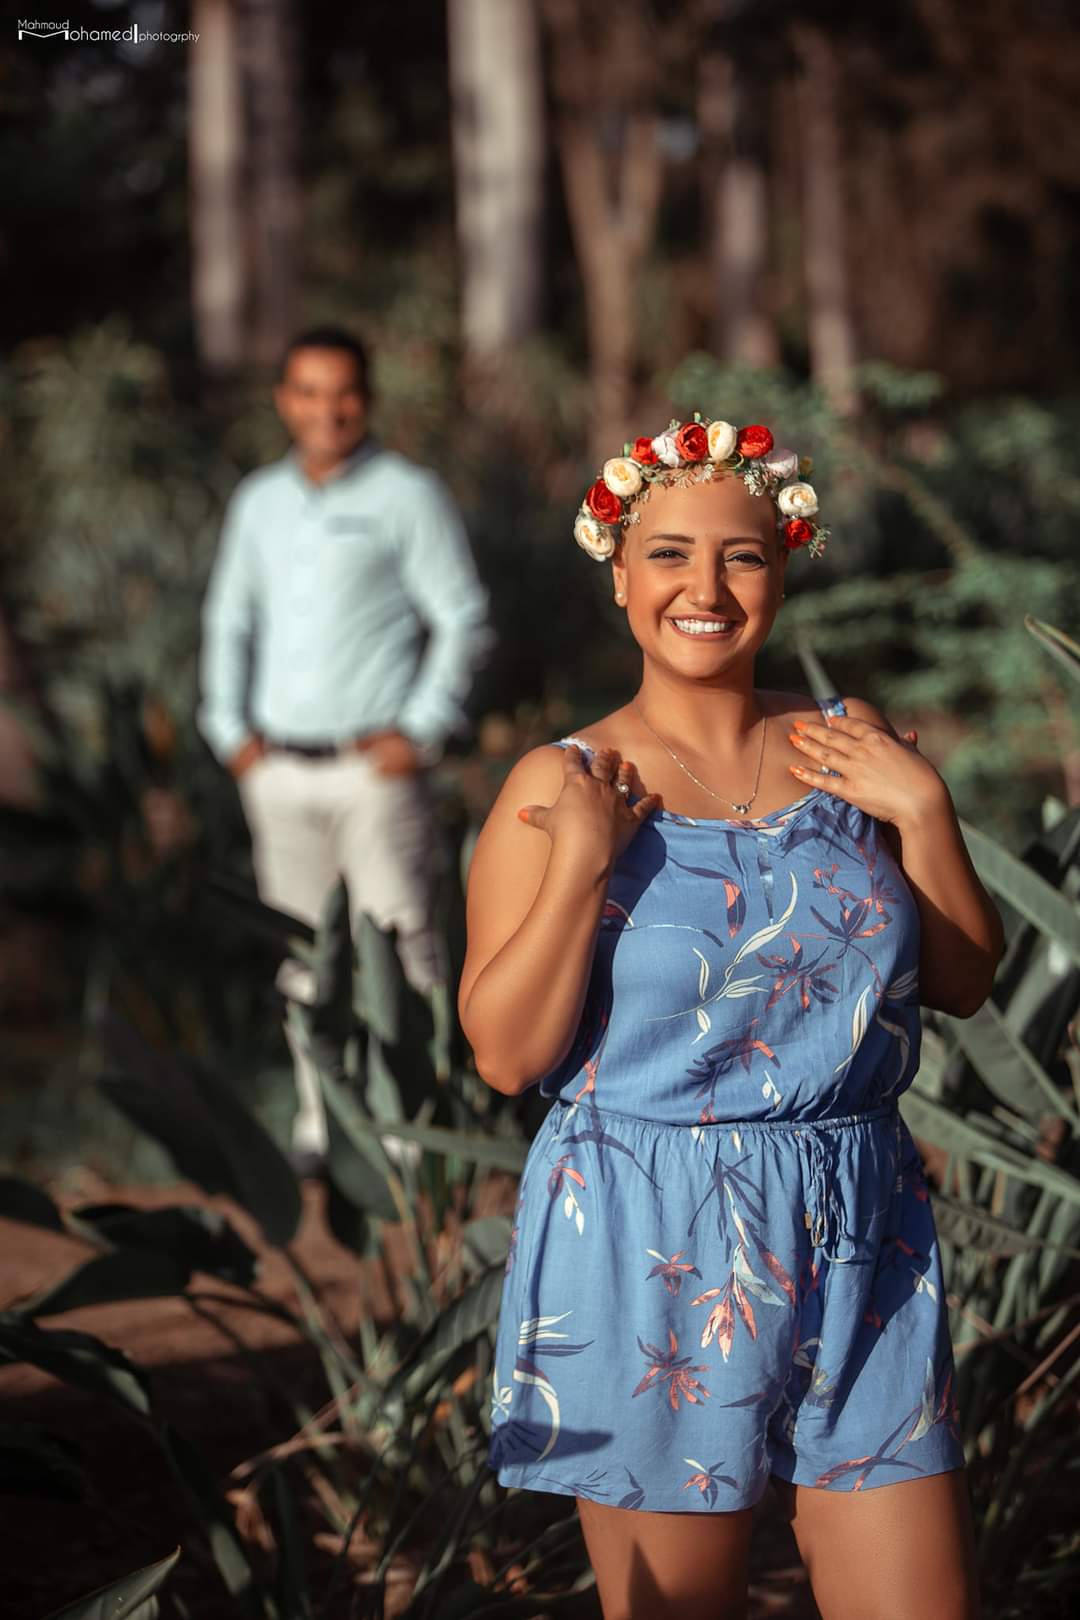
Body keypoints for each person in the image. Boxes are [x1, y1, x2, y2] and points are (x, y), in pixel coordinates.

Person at [459, 416, 1003, 1620]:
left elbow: (964, 982)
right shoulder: (564, 783)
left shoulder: (851, 749)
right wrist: (581, 864)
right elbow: (504, 1054)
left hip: (864, 1223)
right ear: (619, 572)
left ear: (783, 570)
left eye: (742, 556)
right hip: (653, 1235)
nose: (704, 589)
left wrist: (925, 812)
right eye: (669, 554)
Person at [199, 326, 492, 1174]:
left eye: (344, 393)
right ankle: (321, 1125)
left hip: (374, 773)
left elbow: (463, 616)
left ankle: (414, 1134)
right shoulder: (258, 501)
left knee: (400, 945)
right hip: (277, 771)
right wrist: (229, 734)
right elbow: (229, 619)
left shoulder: (407, 495)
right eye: (309, 392)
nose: (327, 410)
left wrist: (424, 727)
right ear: (284, 400)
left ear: (367, 399)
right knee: (303, 958)